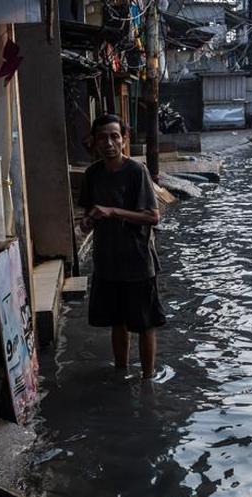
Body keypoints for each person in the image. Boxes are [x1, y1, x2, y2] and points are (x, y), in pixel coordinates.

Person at [78, 114, 164, 379]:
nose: (109, 143)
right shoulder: (93, 174)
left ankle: (148, 379)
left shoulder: (137, 171)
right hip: (106, 261)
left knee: (145, 323)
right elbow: (90, 212)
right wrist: (87, 222)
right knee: (117, 321)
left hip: (137, 261)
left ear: (124, 140)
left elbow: (153, 216)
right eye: (102, 137)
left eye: (115, 136)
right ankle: (121, 373)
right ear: (94, 142)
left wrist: (113, 211)